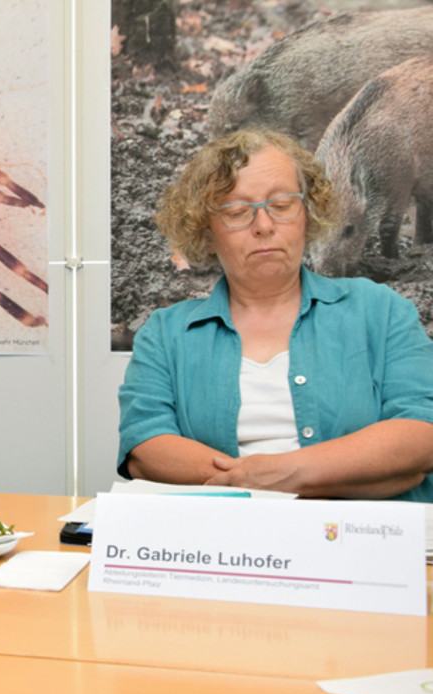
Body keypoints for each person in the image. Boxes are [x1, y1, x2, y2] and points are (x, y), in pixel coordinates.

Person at [118, 129, 433, 501]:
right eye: (237, 211)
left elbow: (420, 435)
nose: (264, 225)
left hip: (363, 543)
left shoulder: (380, 311)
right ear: (204, 232)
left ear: (309, 214)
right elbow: (145, 447)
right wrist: (351, 476)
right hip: (227, 545)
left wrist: (279, 474)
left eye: (282, 205)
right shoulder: (167, 334)